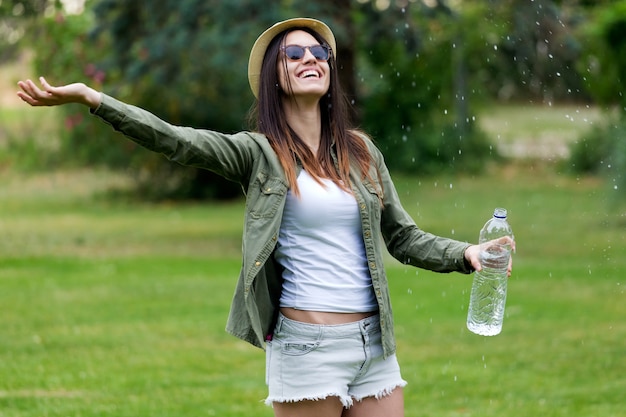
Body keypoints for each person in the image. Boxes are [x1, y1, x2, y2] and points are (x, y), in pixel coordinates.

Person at [17, 17, 513, 417]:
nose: (309, 59)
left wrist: (467, 253)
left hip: (374, 347)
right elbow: (177, 140)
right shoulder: (257, 154)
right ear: (275, 76)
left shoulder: (361, 152)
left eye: (319, 52)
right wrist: (95, 100)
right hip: (307, 348)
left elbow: (402, 237)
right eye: (293, 54)